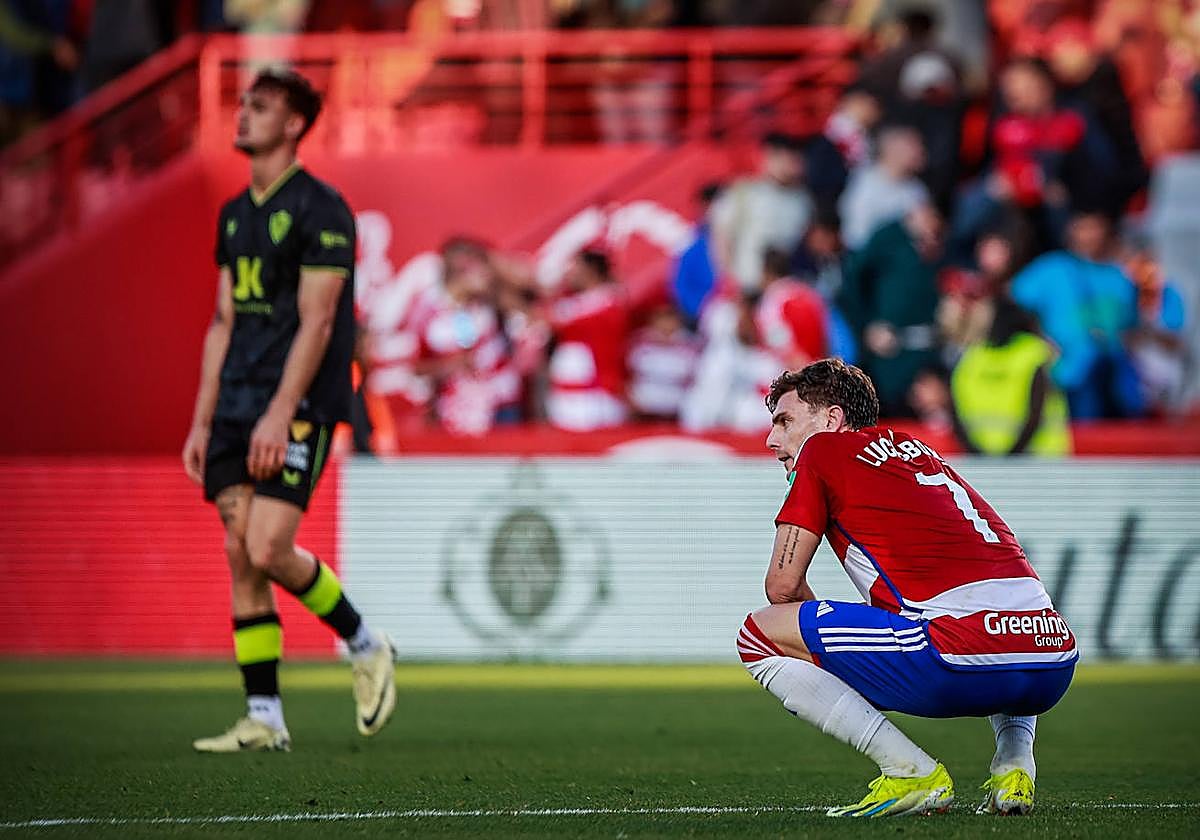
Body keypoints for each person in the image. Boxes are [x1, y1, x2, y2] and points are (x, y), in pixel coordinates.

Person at [739, 359, 1077, 817]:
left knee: (758, 635)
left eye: (784, 421)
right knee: (987, 603)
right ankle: (1015, 765)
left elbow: (781, 587)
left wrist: (827, 659)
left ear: (831, 420)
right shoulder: (918, 450)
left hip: (955, 656)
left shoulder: (822, 451)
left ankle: (911, 772)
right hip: (1051, 658)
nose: (771, 439)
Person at [181, 69, 395, 753]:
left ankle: (365, 642)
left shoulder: (321, 209)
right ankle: (265, 718)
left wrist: (279, 414)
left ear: (296, 123)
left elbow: (320, 319)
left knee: (269, 546)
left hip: (294, 402)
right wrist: (202, 417)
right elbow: (222, 321)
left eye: (261, 106)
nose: (243, 116)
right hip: (236, 399)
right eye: (242, 104)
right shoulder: (234, 213)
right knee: (239, 552)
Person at [951, 298, 1071, 456]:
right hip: (1024, 460)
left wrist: (983, 455)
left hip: (1034, 460)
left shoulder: (973, 357)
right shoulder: (1034, 351)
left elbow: (1036, 413)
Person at [711, 132, 814, 293]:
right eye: (789, 158)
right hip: (747, 285)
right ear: (771, 157)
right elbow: (722, 236)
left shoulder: (804, 200)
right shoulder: (744, 192)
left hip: (784, 288)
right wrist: (728, 278)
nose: (795, 164)